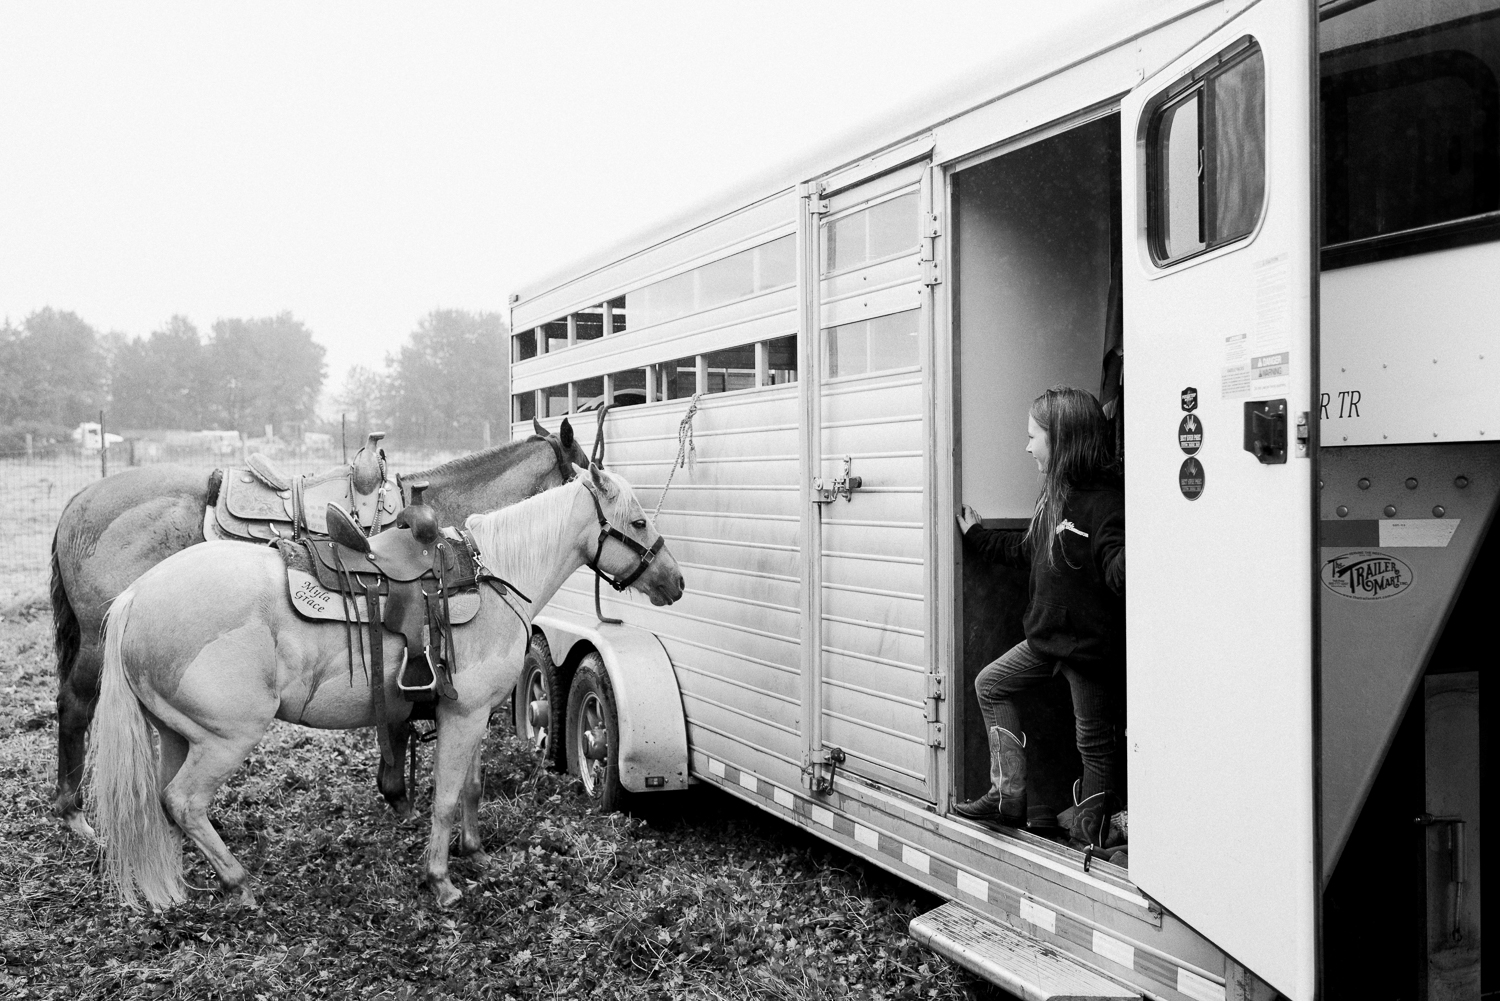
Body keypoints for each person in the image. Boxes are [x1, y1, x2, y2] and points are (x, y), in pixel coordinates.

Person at [954, 385, 1125, 850]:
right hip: (1046, 639)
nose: (1028, 446)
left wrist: (1129, 566)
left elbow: (1115, 563)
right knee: (991, 684)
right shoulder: (1055, 496)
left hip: (1088, 651)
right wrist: (978, 538)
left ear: (1063, 440)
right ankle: (1007, 797)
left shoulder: (1106, 503)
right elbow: (1027, 550)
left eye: (1035, 437)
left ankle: (1091, 836)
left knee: (1093, 745)